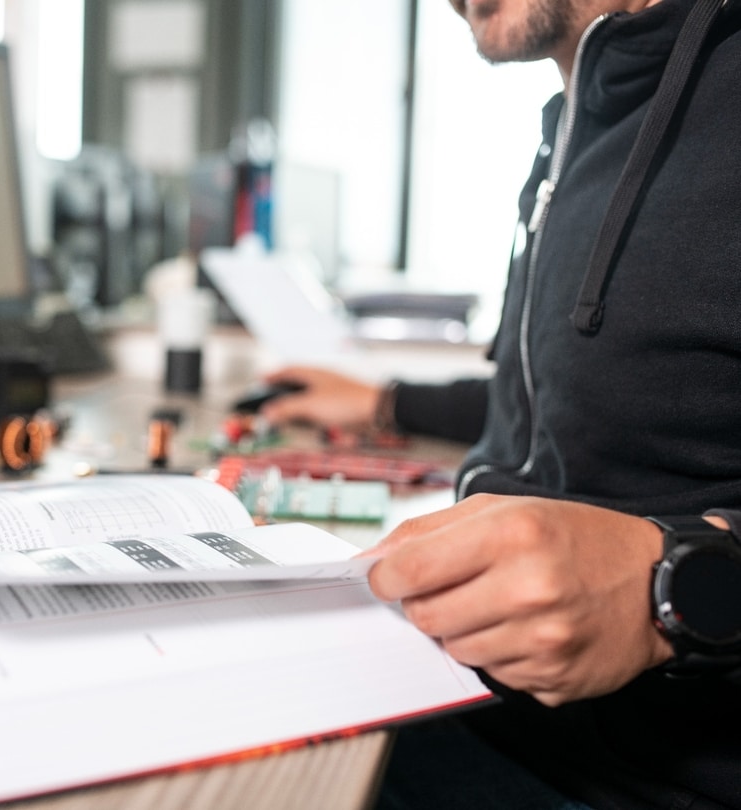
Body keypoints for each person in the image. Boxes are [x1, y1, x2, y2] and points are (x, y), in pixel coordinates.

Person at [260, 1, 741, 808]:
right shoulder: (581, 121)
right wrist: (386, 401)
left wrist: (667, 587)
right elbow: (582, 397)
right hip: (490, 705)